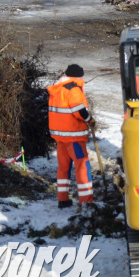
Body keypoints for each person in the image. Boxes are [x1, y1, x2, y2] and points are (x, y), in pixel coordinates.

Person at [47, 64, 95, 209]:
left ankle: (63, 199)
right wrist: (90, 120)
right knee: (82, 167)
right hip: (74, 138)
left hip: (61, 138)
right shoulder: (73, 89)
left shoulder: (57, 89)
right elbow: (79, 112)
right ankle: (86, 202)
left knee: (63, 168)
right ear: (78, 76)